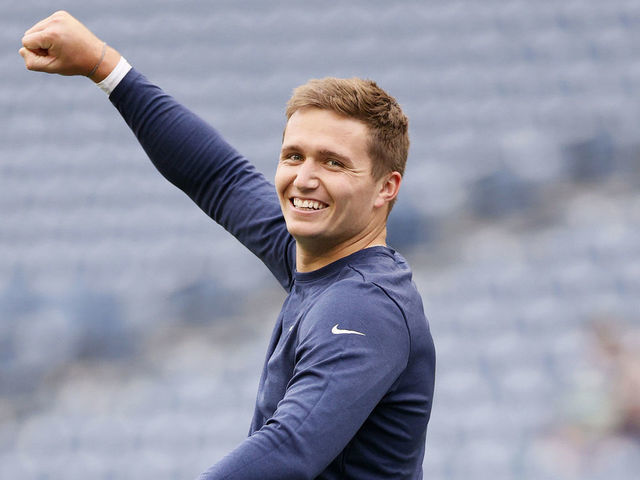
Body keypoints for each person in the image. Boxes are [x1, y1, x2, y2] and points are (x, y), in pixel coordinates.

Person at [20, 10, 436, 479]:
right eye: (293, 156)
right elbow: (218, 176)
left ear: (386, 187)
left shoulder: (365, 307)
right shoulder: (319, 259)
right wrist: (104, 66)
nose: (304, 178)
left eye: (333, 163)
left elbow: (290, 448)